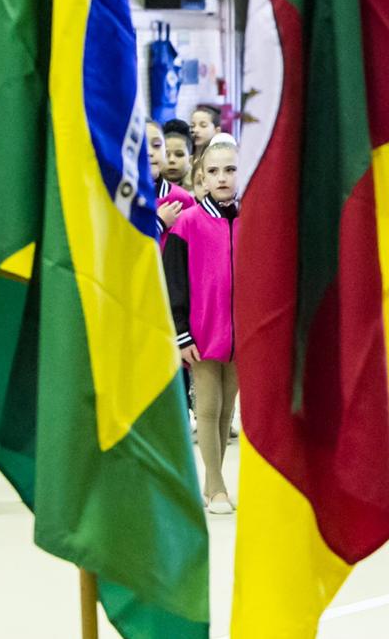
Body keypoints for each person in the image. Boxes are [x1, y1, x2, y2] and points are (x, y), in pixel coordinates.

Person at [163, 134, 242, 514]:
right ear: (202, 179)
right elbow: (173, 283)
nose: (223, 177)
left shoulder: (253, 220)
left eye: (230, 170)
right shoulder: (188, 224)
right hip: (202, 331)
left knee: (228, 410)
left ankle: (215, 486)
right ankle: (216, 485)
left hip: (241, 331)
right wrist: (181, 333)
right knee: (207, 407)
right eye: (214, 171)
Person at [148, 119, 195, 238]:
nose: (150, 152)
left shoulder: (183, 198)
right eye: (143, 144)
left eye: (157, 145)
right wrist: (159, 223)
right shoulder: (120, 195)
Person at [162, 119, 194, 189]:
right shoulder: (147, 191)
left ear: (190, 160)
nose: (172, 160)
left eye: (179, 154)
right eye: (166, 155)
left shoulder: (200, 191)